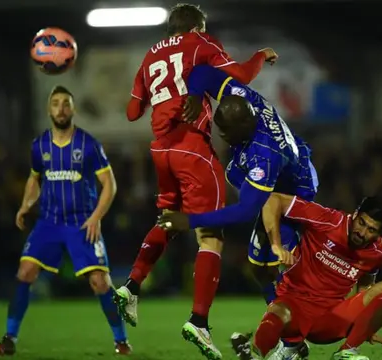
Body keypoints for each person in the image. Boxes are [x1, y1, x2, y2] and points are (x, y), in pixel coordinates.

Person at [113, 3, 277, 359]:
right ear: (197, 26)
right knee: (210, 236)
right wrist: (261, 55)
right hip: (193, 148)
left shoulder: (148, 56)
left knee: (169, 219)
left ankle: (131, 285)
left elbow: (131, 112)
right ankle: (199, 321)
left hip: (160, 150)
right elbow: (242, 76)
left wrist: (162, 98)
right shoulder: (201, 43)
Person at [159, 64, 319, 359]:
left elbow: (246, 211)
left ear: (242, 129)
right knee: (258, 266)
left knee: (283, 268)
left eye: (225, 132)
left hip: (293, 196)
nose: (221, 135)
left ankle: (293, 344)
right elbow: (202, 73)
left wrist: (189, 220)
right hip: (278, 177)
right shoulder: (245, 99)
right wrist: (195, 96)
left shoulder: (264, 156)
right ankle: (287, 331)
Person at [0, 86, 130, 355]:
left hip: (81, 222)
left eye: (66, 103)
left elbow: (109, 184)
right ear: (48, 110)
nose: (61, 109)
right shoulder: (39, 145)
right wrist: (25, 205)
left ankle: (120, 341)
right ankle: (9, 338)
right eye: (56, 104)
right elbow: (34, 178)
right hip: (49, 222)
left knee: (100, 282)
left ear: (73, 109)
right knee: (25, 273)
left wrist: (96, 217)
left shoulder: (89, 144)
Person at [229, 193, 382, 360]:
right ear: (355, 214)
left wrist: (365, 326)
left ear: (380, 233)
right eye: (361, 223)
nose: (362, 233)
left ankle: (346, 352)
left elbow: (365, 288)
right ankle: (255, 355)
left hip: (330, 320)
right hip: (294, 305)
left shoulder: (377, 254)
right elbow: (273, 200)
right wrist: (276, 245)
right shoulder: (329, 220)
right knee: (279, 312)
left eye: (371, 230)